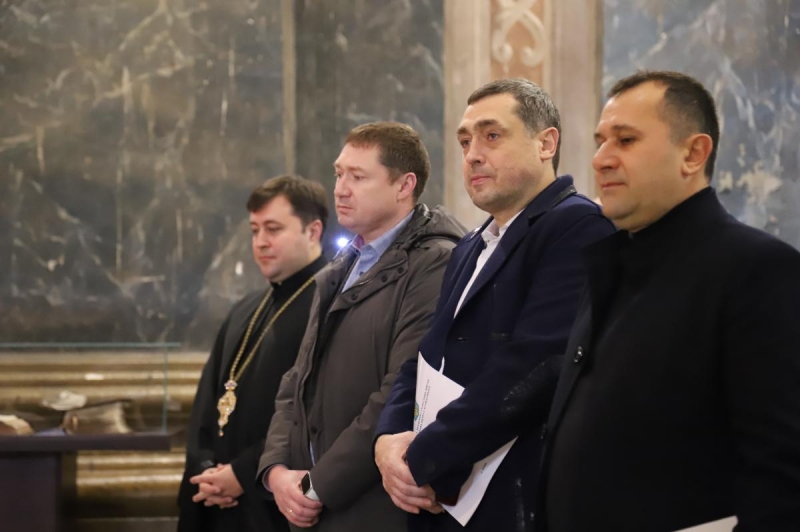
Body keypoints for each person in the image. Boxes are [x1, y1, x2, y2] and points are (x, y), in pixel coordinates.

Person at [538, 71, 800, 532]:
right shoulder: (610, 264)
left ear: (693, 154)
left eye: (626, 140)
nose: (601, 159)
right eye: (600, 141)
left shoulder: (756, 269)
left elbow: (781, 473)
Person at [374, 78, 615, 532]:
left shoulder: (577, 226)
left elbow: (535, 365)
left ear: (546, 144)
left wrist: (423, 457)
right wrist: (387, 439)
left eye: (491, 135)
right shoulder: (469, 246)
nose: (472, 154)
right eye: (465, 141)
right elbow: (425, 356)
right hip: (442, 496)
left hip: (513, 500)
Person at [257, 122, 466, 532]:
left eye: (358, 176)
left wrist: (317, 486)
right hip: (317, 503)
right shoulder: (343, 267)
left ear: (404, 185)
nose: (340, 189)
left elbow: (397, 390)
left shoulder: (434, 263)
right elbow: (297, 380)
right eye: (339, 174)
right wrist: (276, 470)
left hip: (373, 508)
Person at [177, 175, 329, 532]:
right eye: (254, 230)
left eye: (273, 229)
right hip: (215, 503)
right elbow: (206, 405)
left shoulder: (330, 308)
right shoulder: (245, 309)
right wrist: (205, 468)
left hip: (271, 506)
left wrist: (243, 473)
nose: (260, 242)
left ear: (313, 231)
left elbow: (317, 413)